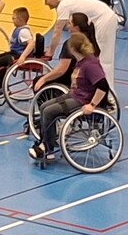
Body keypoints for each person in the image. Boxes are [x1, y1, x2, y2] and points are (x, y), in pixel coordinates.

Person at [29, 32, 110, 161]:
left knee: (49, 112)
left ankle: (48, 149)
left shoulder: (90, 64)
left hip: (83, 100)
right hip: (75, 95)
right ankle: (45, 143)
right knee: (44, 107)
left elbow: (103, 86)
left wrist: (92, 105)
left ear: (72, 49)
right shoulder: (81, 62)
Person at [41, 0, 118, 86]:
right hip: (100, 19)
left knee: (105, 58)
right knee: (99, 56)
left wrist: (51, 52)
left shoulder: (63, 5)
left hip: (105, 19)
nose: (46, 3)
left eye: (46, 0)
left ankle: (106, 90)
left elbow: (57, 30)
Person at [0, 7, 45, 103]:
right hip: (15, 53)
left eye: (14, 18)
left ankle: (0, 86)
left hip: (19, 55)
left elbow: (31, 44)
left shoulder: (23, 31)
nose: (12, 20)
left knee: (0, 61)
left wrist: (23, 57)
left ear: (20, 20)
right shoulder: (19, 29)